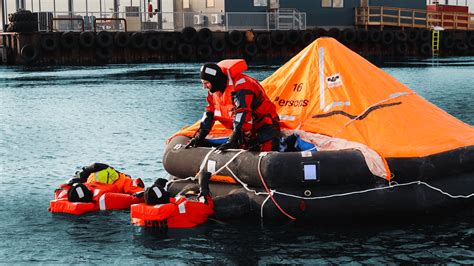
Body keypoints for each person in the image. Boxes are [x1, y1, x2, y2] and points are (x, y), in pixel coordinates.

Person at [186, 60, 280, 151]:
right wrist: (200, 137)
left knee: (263, 151)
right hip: (246, 130)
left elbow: (242, 112)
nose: (204, 86)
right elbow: (209, 114)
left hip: (266, 126)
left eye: (206, 83)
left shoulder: (241, 86)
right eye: (203, 83)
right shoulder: (214, 91)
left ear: (214, 80)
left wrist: (233, 139)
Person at [50, 163, 145, 215]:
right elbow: (136, 198)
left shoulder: (64, 194)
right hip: (109, 177)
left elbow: (62, 187)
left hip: (103, 176)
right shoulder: (104, 198)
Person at [131, 171, 214, 229]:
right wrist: (204, 186)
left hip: (160, 242)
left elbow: (156, 200)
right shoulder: (183, 209)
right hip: (190, 237)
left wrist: (156, 186)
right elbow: (208, 208)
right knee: (190, 189)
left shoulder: (139, 217)